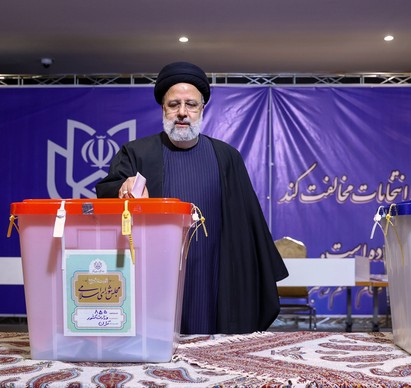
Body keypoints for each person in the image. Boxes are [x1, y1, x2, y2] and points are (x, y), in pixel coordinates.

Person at [95, 61, 288, 334]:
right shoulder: (137, 153)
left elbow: (249, 226)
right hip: (153, 271)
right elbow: (106, 194)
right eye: (174, 105)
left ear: (202, 110)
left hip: (213, 271)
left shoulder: (226, 157)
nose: (182, 113)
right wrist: (123, 188)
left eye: (191, 105)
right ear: (163, 108)